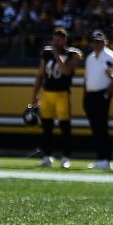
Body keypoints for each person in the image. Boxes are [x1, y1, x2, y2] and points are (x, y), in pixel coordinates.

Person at [31, 27, 80, 168]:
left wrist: (57, 54)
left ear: (65, 40)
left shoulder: (71, 54)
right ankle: (47, 156)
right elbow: (40, 74)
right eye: (55, 39)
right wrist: (34, 95)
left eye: (59, 39)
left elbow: (66, 71)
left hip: (62, 93)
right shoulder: (46, 53)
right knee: (47, 126)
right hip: (47, 93)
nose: (56, 42)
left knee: (65, 126)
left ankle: (66, 157)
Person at [83, 29, 113, 170]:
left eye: (99, 42)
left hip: (102, 94)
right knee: (95, 127)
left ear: (105, 42)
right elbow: (87, 78)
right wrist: (85, 95)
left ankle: (106, 158)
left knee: (102, 127)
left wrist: (107, 94)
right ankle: (100, 158)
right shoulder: (90, 58)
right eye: (94, 42)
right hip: (91, 95)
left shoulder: (110, 56)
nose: (96, 44)